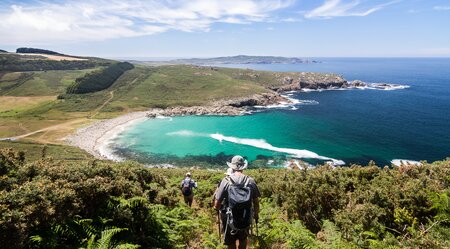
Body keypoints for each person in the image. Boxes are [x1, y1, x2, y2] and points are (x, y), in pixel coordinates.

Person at [214, 156, 260, 249]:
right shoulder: (250, 181)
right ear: (243, 167)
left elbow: (217, 204)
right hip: (245, 217)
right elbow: (256, 202)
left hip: (228, 218)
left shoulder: (226, 181)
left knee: (231, 243)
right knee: (243, 240)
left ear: (232, 167)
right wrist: (256, 215)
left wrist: (218, 208)